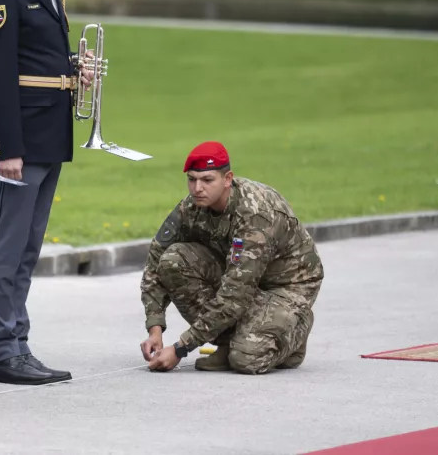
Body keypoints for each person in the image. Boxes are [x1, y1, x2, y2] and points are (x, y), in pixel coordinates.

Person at [0, 0, 90, 386]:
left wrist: (71, 70)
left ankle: (17, 341)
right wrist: (6, 147)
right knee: (6, 243)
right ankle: (1, 347)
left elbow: (37, 59)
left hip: (48, 130)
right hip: (20, 136)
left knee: (27, 245)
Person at [139, 141, 324, 375]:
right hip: (241, 277)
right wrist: (155, 329)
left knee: (248, 359)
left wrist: (180, 348)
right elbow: (155, 262)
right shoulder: (192, 207)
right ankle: (230, 343)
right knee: (173, 261)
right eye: (192, 179)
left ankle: (295, 329)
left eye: (207, 180)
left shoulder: (255, 214)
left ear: (227, 179)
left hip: (287, 287)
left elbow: (236, 293)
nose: (197, 188)